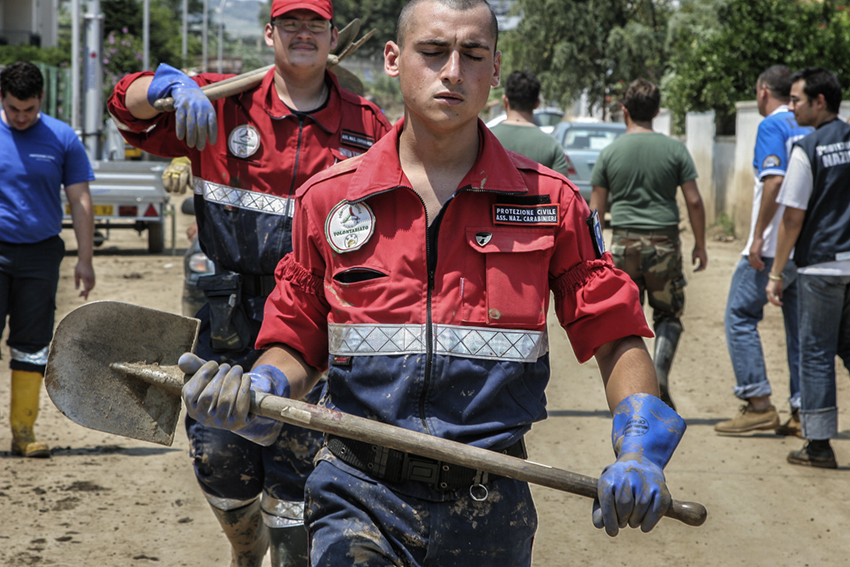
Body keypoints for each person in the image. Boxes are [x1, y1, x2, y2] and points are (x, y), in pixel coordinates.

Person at [178, 1, 688, 565]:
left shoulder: (549, 203)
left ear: (494, 69)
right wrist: (265, 387)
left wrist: (638, 443)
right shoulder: (329, 199)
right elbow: (298, 336)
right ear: (394, 59)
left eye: (472, 55)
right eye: (433, 52)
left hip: (490, 501)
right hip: (356, 492)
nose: (452, 72)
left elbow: (616, 334)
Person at [107, 0, 392, 564]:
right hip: (229, 321)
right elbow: (126, 113)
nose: (303, 33)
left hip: (321, 324)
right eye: (291, 23)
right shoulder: (217, 105)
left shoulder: (369, 125)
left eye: (315, 24)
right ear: (270, 33)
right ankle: (245, 545)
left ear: (332, 35)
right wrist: (166, 85)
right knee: (219, 458)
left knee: (304, 476)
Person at [589, 78, 707, 411]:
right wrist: (701, 244)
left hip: (625, 245)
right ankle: (662, 374)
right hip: (665, 244)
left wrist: (595, 257)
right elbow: (694, 201)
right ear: (657, 111)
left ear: (624, 110)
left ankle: (636, 391)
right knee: (668, 315)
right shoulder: (675, 149)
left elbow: (595, 211)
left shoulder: (611, 152)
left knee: (627, 318)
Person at [0, 61, 95, 458]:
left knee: (32, 344)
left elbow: (80, 200)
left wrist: (85, 260)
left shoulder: (61, 138)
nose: (21, 118)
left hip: (40, 255)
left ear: (41, 99)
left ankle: (23, 430)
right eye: (12, 110)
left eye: (29, 110)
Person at [715, 66, 812, 436]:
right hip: (805, 249)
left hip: (770, 247)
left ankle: (757, 403)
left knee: (739, 316)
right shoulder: (810, 124)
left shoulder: (772, 126)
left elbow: (775, 180)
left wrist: (757, 236)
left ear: (762, 92)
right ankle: (804, 413)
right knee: (800, 331)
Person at [767, 67, 850, 469]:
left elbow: (793, 217)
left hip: (820, 267)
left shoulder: (808, 147)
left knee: (815, 353)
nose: (791, 106)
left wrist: (776, 271)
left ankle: (818, 446)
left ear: (820, 102)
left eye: (797, 99)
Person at [489, 70, 569, 174]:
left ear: (505, 101)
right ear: (537, 104)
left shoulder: (484, 139)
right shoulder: (552, 146)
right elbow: (562, 187)